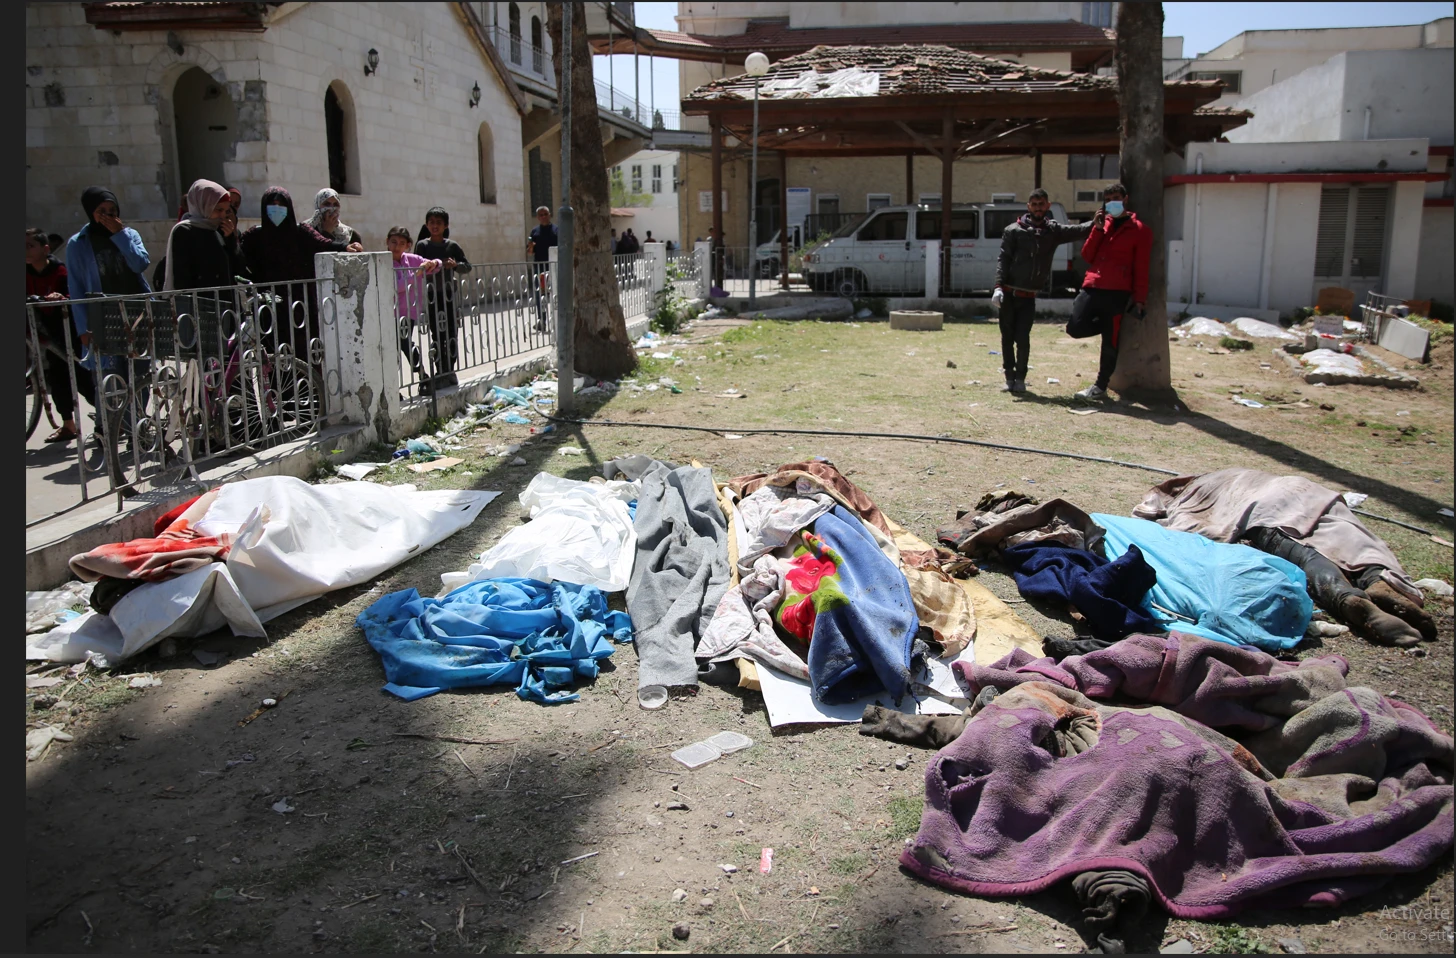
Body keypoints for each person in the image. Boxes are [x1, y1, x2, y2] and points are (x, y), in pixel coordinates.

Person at [992, 189, 1094, 394]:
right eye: (1034, 204)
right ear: (1028, 207)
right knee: (1007, 337)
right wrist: (997, 287)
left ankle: (1020, 378)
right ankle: (1009, 377)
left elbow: (1078, 230)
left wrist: (1098, 220)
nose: (1038, 207)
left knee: (1023, 338)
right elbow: (1003, 259)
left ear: (1047, 206)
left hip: (1028, 297)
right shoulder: (1014, 230)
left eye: (1041, 204)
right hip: (1009, 294)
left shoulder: (1053, 232)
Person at [240, 186, 359, 360]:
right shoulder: (255, 236)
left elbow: (322, 243)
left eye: (281, 205)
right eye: (272, 204)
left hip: (298, 304)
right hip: (268, 305)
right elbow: (240, 255)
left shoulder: (300, 232)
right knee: (273, 355)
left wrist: (345, 247)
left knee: (302, 353)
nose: (277, 209)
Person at [1067, 183, 1152, 400]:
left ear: (1125, 199)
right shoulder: (1102, 225)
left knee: (1110, 342)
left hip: (1117, 292)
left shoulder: (1140, 230)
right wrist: (1096, 229)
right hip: (1092, 286)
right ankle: (1105, 327)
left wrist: (1139, 299)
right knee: (1074, 327)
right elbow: (1087, 255)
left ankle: (1100, 387)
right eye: (1107, 199)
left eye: (1115, 197)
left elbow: (1142, 268)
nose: (1111, 201)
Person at [65, 186, 152, 376]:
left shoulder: (130, 235)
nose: (108, 217)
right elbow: (76, 287)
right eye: (101, 212)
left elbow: (140, 264)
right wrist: (83, 330)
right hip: (103, 320)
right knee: (110, 382)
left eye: (112, 212)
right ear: (90, 212)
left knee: (140, 377)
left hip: (136, 317)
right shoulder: (78, 243)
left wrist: (120, 235)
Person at [27, 227, 94, 443]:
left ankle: (112, 418)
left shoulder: (60, 271)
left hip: (68, 331)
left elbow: (72, 294)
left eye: (30, 246)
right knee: (58, 380)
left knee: (82, 378)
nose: (26, 251)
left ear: (45, 249)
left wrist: (59, 297)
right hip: (44, 333)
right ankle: (68, 425)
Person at [415, 206, 472, 386]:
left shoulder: (452, 246)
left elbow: (466, 266)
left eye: (439, 223)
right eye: (431, 222)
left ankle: (450, 370)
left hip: (449, 296)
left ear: (446, 225)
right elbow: (416, 266)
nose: (435, 226)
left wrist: (455, 265)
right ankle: (440, 371)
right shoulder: (423, 245)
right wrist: (427, 267)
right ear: (426, 224)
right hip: (432, 296)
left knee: (451, 333)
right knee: (437, 334)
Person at [387, 225, 442, 388]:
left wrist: (433, 262)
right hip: (389, 313)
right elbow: (395, 287)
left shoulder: (412, 259)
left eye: (401, 243)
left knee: (404, 343)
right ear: (387, 242)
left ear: (407, 245)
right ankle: (397, 384)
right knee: (394, 349)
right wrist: (416, 274)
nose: (397, 247)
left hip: (408, 312)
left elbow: (436, 265)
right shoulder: (383, 261)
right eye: (394, 242)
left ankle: (421, 375)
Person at [162, 179, 233, 292]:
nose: (223, 215)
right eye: (219, 210)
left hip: (223, 304)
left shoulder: (218, 230)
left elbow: (235, 268)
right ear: (204, 205)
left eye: (226, 211)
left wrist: (231, 240)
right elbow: (182, 277)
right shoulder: (184, 231)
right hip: (200, 304)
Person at [526, 205, 557, 332]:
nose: (543, 217)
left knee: (556, 295)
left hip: (554, 268)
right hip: (540, 269)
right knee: (541, 296)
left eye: (545, 214)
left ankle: (558, 322)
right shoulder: (534, 232)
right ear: (538, 217)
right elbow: (529, 253)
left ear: (549, 215)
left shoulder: (557, 230)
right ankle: (542, 321)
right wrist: (531, 246)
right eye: (541, 215)